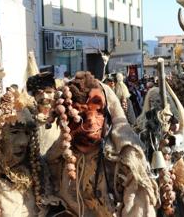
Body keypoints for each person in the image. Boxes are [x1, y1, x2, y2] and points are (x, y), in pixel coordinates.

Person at [45, 71, 159, 216]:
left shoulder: (122, 162)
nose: (92, 120)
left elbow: (139, 210)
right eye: (82, 114)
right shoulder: (57, 158)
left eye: (98, 111)